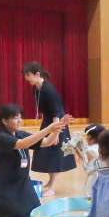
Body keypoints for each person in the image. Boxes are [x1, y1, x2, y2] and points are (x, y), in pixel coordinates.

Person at [0, 103, 64, 217]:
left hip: (22, 183)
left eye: (20, 117)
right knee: (19, 216)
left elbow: (47, 142)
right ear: (5, 121)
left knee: (34, 213)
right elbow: (22, 144)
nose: (20, 120)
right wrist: (48, 129)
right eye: (16, 118)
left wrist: (58, 129)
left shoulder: (20, 133)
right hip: (5, 185)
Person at [23, 62, 76, 197]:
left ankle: (52, 186)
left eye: (28, 75)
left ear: (37, 74)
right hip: (48, 122)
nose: (26, 78)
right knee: (46, 154)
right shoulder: (36, 88)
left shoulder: (48, 90)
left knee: (54, 155)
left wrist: (56, 131)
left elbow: (56, 111)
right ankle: (50, 182)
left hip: (56, 122)